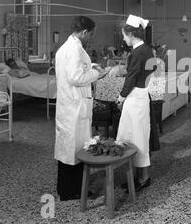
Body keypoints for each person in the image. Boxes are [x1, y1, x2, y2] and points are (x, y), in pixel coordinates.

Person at [54, 16, 108, 201]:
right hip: (73, 107)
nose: (90, 38)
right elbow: (76, 78)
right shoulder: (74, 50)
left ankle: (71, 187)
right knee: (73, 149)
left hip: (70, 105)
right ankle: (71, 191)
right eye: (91, 34)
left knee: (70, 148)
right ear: (84, 32)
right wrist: (97, 73)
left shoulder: (67, 48)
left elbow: (76, 69)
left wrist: (91, 66)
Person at [116, 14, 159, 192]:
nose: (124, 38)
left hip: (135, 98)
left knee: (137, 138)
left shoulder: (138, 52)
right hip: (141, 96)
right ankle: (138, 175)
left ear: (132, 34)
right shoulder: (147, 50)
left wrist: (120, 97)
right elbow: (152, 68)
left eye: (124, 35)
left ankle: (144, 178)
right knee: (138, 136)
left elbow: (131, 78)